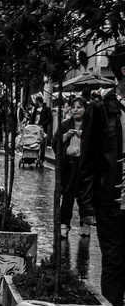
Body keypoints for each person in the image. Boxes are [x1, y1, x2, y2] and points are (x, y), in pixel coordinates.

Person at [78, 46, 125, 306]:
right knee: (114, 260)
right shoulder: (101, 109)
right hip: (111, 198)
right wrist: (86, 206)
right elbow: (89, 159)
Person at [60, 97, 88, 239]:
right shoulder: (65, 124)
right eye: (73, 107)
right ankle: (64, 225)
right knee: (67, 195)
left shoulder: (90, 125)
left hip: (84, 166)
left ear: (85, 109)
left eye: (79, 107)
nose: (76, 110)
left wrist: (86, 137)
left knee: (85, 195)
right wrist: (66, 136)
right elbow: (55, 141)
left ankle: (85, 224)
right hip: (69, 165)